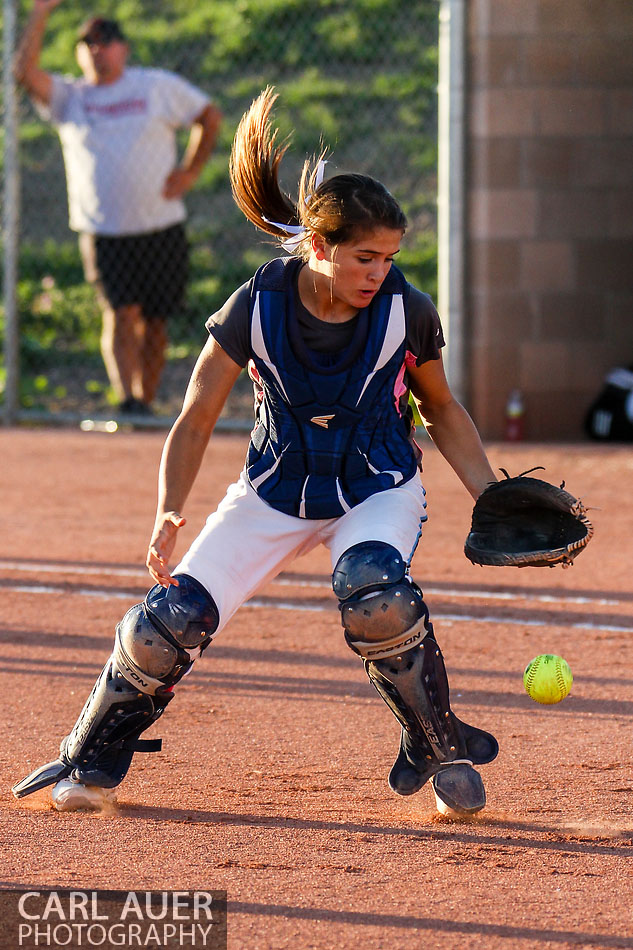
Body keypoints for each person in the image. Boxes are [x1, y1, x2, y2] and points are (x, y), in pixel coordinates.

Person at [12, 87, 499, 817]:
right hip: (275, 489)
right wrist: (169, 511)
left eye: (389, 257)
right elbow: (196, 414)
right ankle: (92, 754)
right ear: (318, 246)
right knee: (166, 623)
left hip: (376, 485)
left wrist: (489, 494)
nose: (379, 272)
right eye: (364, 257)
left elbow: (442, 408)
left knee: (375, 592)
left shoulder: (405, 309)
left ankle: (434, 745)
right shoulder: (258, 305)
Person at [14, 0, 222, 415]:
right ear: (79, 52)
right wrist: (39, 12)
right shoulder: (70, 97)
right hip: (104, 229)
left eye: (106, 41)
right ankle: (128, 402)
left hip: (160, 225)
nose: (97, 49)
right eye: (88, 42)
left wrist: (190, 170)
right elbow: (24, 73)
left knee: (157, 323)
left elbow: (209, 115)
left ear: (124, 49)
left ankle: (146, 401)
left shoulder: (153, 86)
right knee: (120, 313)